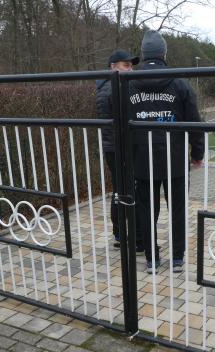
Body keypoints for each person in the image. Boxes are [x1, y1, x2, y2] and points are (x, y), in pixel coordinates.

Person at [128, 30, 204, 273]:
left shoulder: (127, 83)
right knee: (178, 210)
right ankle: (178, 258)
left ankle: (152, 258)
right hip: (175, 158)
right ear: (164, 53)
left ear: (143, 54)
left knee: (147, 211)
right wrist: (198, 153)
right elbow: (194, 120)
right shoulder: (180, 82)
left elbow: (121, 123)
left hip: (142, 159)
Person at [95, 49, 143, 249]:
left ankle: (120, 233)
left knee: (119, 190)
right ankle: (130, 235)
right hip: (120, 147)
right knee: (127, 190)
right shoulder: (115, 89)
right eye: (126, 65)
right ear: (113, 67)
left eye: (131, 65)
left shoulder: (108, 86)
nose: (130, 69)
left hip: (114, 146)